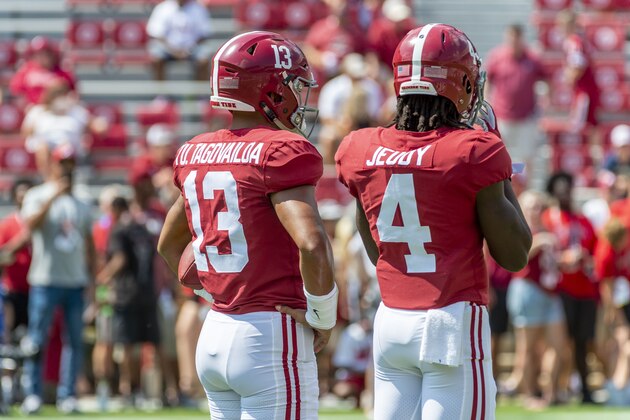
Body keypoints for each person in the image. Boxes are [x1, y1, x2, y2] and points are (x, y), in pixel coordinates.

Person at [335, 24, 532, 419]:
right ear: (460, 82)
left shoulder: (360, 147)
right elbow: (514, 254)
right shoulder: (473, 150)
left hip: (392, 321)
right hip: (451, 320)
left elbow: (377, 248)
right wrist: (499, 164)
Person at [157, 31, 337, 419]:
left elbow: (168, 247)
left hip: (216, 330)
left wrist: (213, 294)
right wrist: (323, 315)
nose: (299, 95)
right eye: (292, 85)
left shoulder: (195, 150)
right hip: (269, 336)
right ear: (270, 88)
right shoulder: (279, 150)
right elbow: (311, 243)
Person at [19, 144, 96, 415]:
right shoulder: (38, 195)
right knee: (37, 339)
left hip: (75, 279)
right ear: (53, 164)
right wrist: (54, 197)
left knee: (74, 341)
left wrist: (94, 281)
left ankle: (68, 395)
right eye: (63, 162)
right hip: (45, 278)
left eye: (70, 162)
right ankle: (33, 395)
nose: (67, 167)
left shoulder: (84, 198)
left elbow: (89, 243)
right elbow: (30, 227)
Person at [96, 196, 161, 406]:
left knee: (125, 344)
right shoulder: (141, 229)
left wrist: (102, 278)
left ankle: (127, 389)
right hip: (147, 293)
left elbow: (120, 259)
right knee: (148, 344)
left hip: (125, 294)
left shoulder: (119, 230)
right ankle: (152, 392)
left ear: (115, 209)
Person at [505, 190, 567, 407]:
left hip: (550, 291)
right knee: (527, 348)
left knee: (557, 345)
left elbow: (551, 263)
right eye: (531, 205)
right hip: (527, 289)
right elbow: (514, 259)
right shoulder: (519, 228)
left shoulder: (548, 229)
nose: (536, 210)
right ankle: (527, 394)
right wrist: (538, 242)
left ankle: (550, 394)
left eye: (539, 205)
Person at [542, 171, 598, 404]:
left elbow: (595, 250)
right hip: (559, 290)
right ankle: (555, 389)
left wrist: (585, 259)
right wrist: (563, 259)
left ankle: (583, 388)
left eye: (567, 188)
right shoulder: (548, 219)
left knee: (583, 341)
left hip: (585, 290)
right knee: (559, 342)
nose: (564, 193)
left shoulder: (583, 220)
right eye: (559, 188)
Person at [485, 24, 546, 171]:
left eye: (517, 38)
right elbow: (488, 79)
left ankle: (525, 190)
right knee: (499, 154)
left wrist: (546, 100)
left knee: (527, 157)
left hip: (525, 117)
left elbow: (546, 78)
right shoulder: (497, 57)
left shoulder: (532, 59)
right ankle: (503, 186)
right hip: (502, 115)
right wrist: (487, 101)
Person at [21, 80, 107, 179]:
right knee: (43, 148)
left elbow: (98, 127)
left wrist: (100, 123)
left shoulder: (77, 111)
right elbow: (25, 133)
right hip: (45, 149)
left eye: (62, 94)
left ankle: (66, 180)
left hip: (69, 149)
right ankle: (48, 180)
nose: (60, 98)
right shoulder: (37, 111)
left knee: (65, 150)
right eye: (57, 94)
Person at [0, 179, 34, 343]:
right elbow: (2, 256)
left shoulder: (43, 223)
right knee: (9, 337)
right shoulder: (7, 225)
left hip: (37, 288)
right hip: (13, 289)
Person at [146, 0, 213, 81]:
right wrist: (173, 50)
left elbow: (203, 34)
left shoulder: (199, 8)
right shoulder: (162, 8)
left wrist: (189, 50)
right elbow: (157, 33)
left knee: (204, 59)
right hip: (167, 48)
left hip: (193, 48)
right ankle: (160, 92)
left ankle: (200, 92)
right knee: (156, 58)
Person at [557, 10, 600, 131]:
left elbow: (578, 65)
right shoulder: (579, 40)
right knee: (588, 124)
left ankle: (591, 150)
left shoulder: (574, 42)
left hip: (584, 90)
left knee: (581, 127)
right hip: (584, 89)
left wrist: (569, 78)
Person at [9, 36, 76, 107]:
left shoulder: (62, 73)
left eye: (45, 54)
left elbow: (72, 95)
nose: (42, 57)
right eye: (39, 54)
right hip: (33, 110)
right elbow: (16, 93)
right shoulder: (25, 71)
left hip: (57, 111)